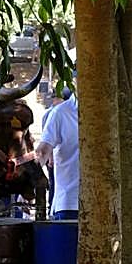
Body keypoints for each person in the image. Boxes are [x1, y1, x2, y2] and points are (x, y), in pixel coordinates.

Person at [35, 81, 79, 220]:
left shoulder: (115, 113)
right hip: (70, 203)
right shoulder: (59, 113)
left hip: (109, 203)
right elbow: (43, 151)